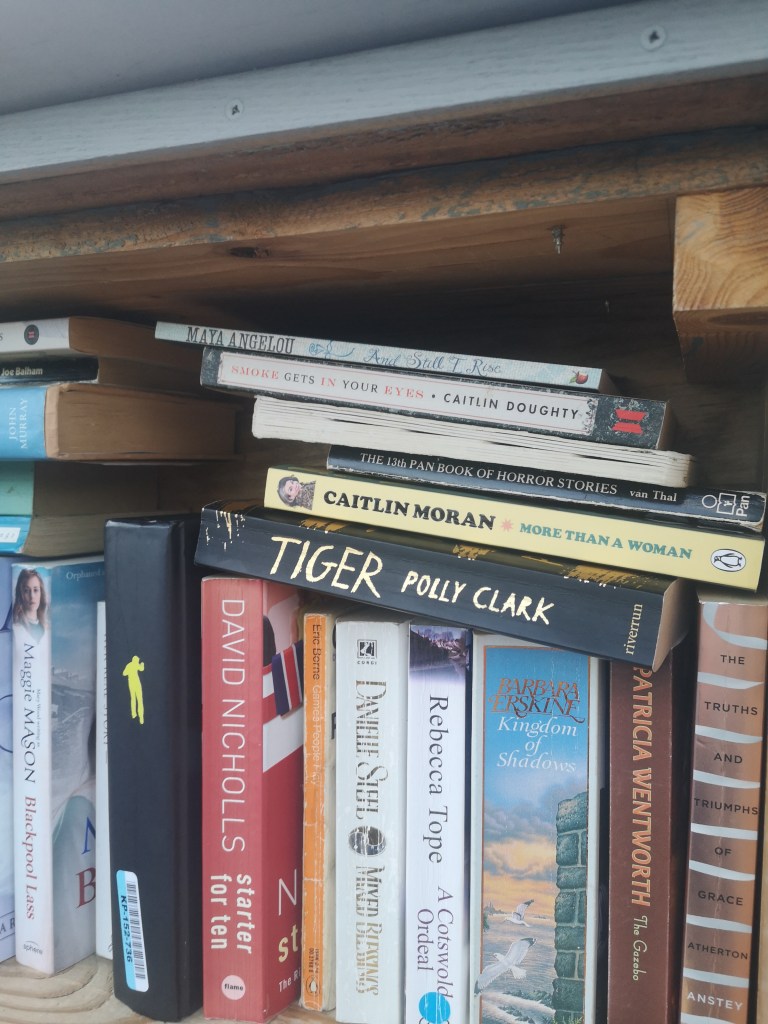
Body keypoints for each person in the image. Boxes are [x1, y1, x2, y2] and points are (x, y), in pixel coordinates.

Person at [12, 567, 48, 641]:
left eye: (36, 590)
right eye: (26, 591)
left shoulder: (47, 630)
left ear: (41, 593)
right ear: (20, 594)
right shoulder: (15, 630)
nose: (32, 596)